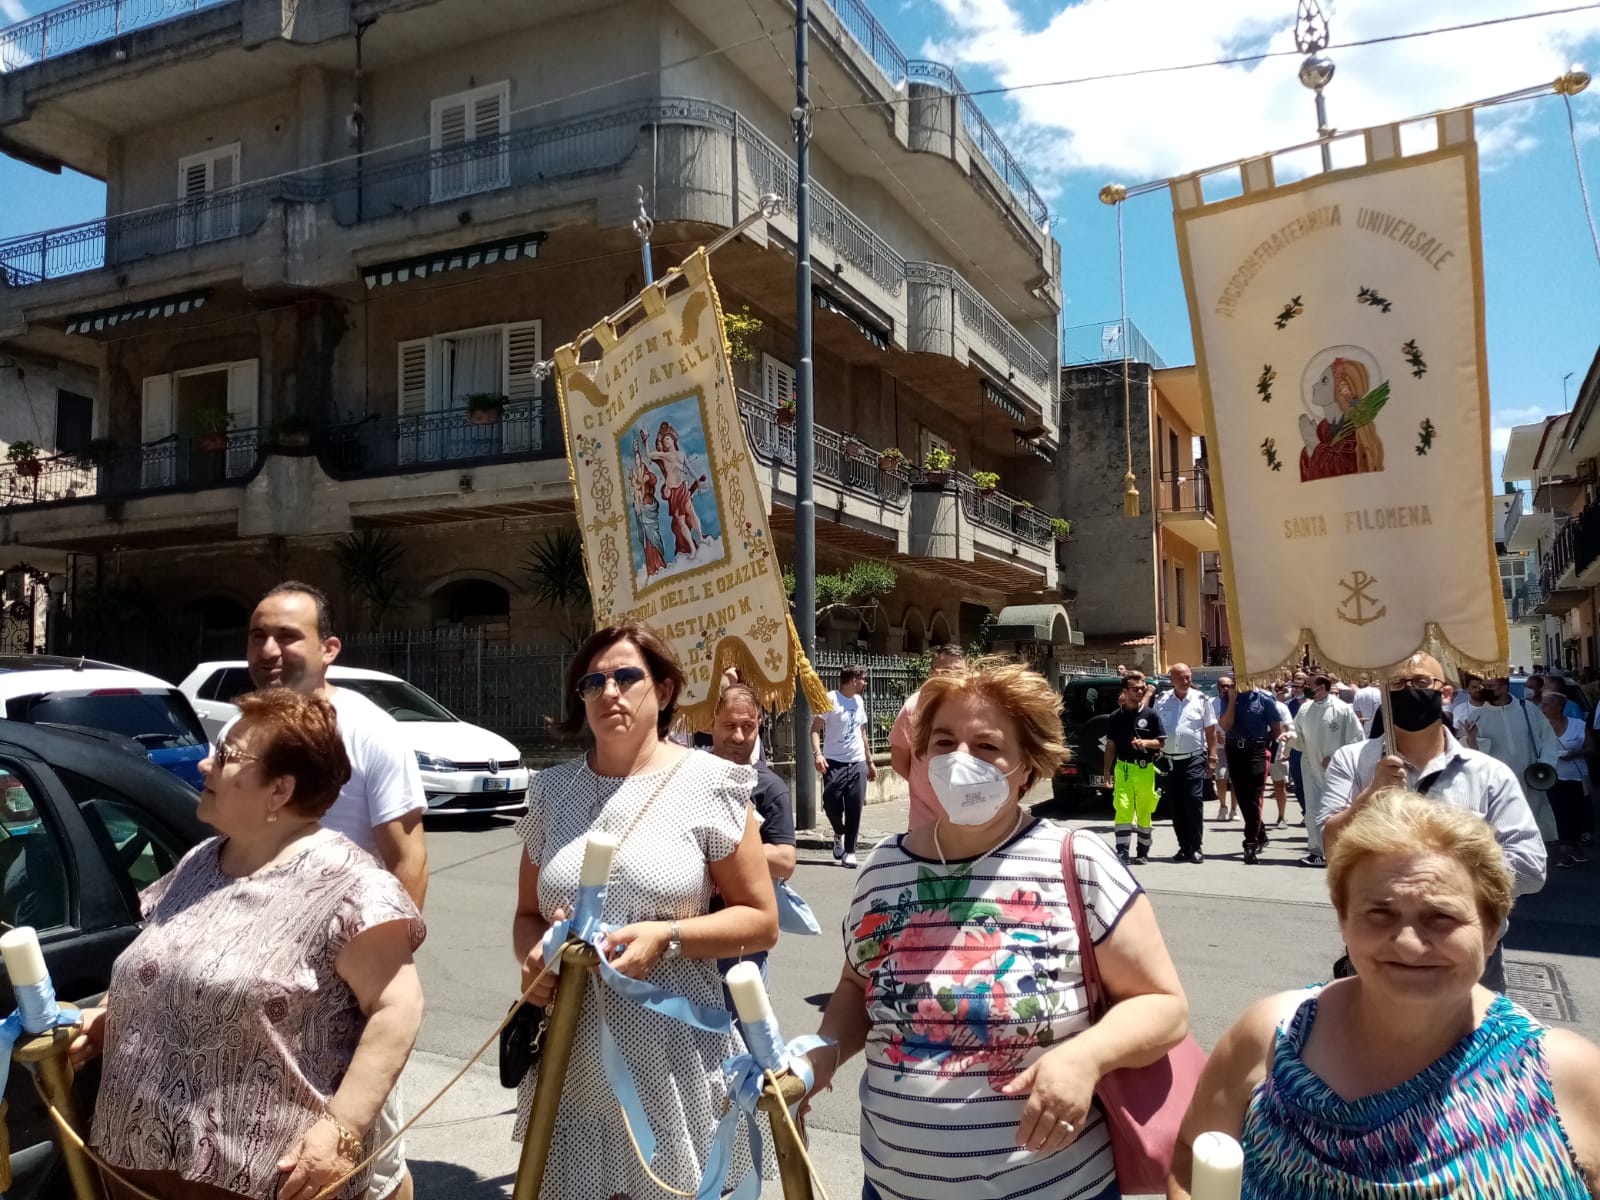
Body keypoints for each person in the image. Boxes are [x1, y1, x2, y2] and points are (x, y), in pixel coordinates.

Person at [806, 660, 1190, 1200]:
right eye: (943, 741)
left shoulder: (1075, 860)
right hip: (890, 1187)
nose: (960, 760)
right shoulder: (882, 867)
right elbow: (854, 987)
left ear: (1027, 768)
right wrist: (820, 1054)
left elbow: (1164, 1005)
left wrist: (1086, 1057)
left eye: (986, 747)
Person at [77, 688, 426, 1200]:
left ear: (279, 789)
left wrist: (342, 1131)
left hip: (263, 1182)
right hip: (136, 1168)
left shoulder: (352, 886)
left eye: (226, 756)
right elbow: (171, 960)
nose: (203, 765)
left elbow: (399, 1007)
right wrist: (112, 1011)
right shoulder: (201, 860)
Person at [1170, 790, 1600, 1199]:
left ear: (1491, 931)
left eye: (1441, 916)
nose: (1409, 944)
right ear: (1343, 920)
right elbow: (1193, 1155)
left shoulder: (1566, 1076)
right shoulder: (1268, 1038)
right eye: (1380, 914)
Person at [511, 621, 779, 1199]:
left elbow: (761, 919)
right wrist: (533, 962)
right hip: (571, 1060)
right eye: (592, 682)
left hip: (674, 1056)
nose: (609, 692)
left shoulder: (712, 782)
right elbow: (527, 915)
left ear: (662, 690)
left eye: (626, 677)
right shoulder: (552, 793)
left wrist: (669, 935)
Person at [243, 582, 428, 1200]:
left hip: (344, 990)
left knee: (369, 1164)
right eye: (257, 635)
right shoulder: (247, 732)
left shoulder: (371, 734)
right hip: (261, 991)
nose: (269, 649)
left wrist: (380, 981)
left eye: (287, 636)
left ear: (329, 649)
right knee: (284, 1161)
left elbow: (408, 860)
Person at [1317, 652, 1546, 992]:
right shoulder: (1353, 761)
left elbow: (1530, 868)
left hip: (1468, 957)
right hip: (1377, 952)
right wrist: (1370, 795)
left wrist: (1435, 882)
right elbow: (1330, 847)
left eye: (1421, 682)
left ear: (1446, 693)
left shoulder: (1488, 774)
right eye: (1397, 684)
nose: (1409, 690)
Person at [707, 682, 796, 981]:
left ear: (759, 724)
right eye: (729, 725)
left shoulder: (770, 788)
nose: (738, 736)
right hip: (689, 932)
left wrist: (722, 847)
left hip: (742, 940)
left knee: (744, 1025)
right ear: (711, 723)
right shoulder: (689, 776)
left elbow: (785, 860)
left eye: (748, 725)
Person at [1459, 675, 1560, 844]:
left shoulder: (1527, 709)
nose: (1487, 690)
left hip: (1530, 780)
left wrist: (1546, 766)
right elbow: (1471, 756)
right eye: (1485, 686)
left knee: (1534, 832)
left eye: (1492, 686)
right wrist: (1471, 738)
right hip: (1498, 787)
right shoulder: (1477, 716)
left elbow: (1548, 739)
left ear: (1505, 687)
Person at [890, 644, 967, 830]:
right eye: (946, 672)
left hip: (971, 823)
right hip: (925, 824)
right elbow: (899, 761)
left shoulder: (977, 706)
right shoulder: (913, 707)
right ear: (932, 673)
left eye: (960, 672)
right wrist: (928, 783)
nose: (954, 678)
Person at [1292, 674, 1363, 868]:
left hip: (1336, 771)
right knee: (1312, 811)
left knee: (1337, 811)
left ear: (1322, 687)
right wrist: (1288, 737)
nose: (1306, 688)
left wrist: (1337, 757)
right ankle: (1316, 852)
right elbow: (1299, 738)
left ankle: (1342, 852)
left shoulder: (1342, 710)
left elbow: (1357, 739)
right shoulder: (1305, 709)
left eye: (1310, 685)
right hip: (1310, 768)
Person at [812, 663, 876, 868]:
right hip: (834, 761)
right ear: (853, 680)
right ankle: (838, 832)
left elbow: (862, 733)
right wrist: (818, 754)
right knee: (830, 803)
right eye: (863, 679)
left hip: (857, 762)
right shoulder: (830, 699)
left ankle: (850, 851)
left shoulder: (858, 701)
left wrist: (869, 761)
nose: (865, 683)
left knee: (855, 806)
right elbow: (814, 730)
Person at [1217, 676, 1285, 864]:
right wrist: (1231, 699)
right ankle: (1260, 831)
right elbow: (1225, 726)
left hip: (1256, 750)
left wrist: (1264, 747)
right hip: (1234, 749)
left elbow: (1276, 729)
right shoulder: (1227, 698)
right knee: (1242, 795)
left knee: (1254, 796)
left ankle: (1250, 842)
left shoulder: (1263, 699)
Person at [1154, 662, 1217, 864]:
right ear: (1171, 679)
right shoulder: (1162, 700)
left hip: (1194, 758)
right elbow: (1155, 729)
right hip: (1169, 761)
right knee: (1176, 804)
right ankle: (1183, 847)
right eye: (1181, 677)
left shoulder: (1201, 700)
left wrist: (1213, 758)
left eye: (1188, 677)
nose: (1186, 681)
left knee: (1193, 801)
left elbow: (1210, 732)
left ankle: (1196, 847)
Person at [1104, 670, 1165, 865]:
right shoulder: (1115, 717)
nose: (1139, 692)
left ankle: (1143, 851)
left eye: (1142, 688)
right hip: (1123, 768)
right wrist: (1107, 771)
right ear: (1126, 690)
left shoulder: (1151, 714)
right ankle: (1122, 851)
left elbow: (1161, 742)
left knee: (1145, 809)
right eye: (1135, 689)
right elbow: (1111, 745)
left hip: (1145, 769)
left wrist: (1146, 743)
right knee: (1123, 808)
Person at [1541, 689, 1593, 868]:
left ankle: (1574, 846)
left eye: (1547, 704)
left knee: (1577, 813)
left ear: (1560, 706)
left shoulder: (1578, 725)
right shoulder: (1540, 726)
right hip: (1550, 777)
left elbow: (1592, 749)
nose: (1543, 707)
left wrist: (1575, 753)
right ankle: (1562, 852)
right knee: (1558, 812)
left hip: (1576, 776)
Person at [1267, 683, 1294, 828]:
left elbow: (1288, 728)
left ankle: (1282, 816)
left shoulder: (1281, 707)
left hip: (1277, 750)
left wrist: (1286, 750)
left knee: (1279, 784)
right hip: (1257, 749)